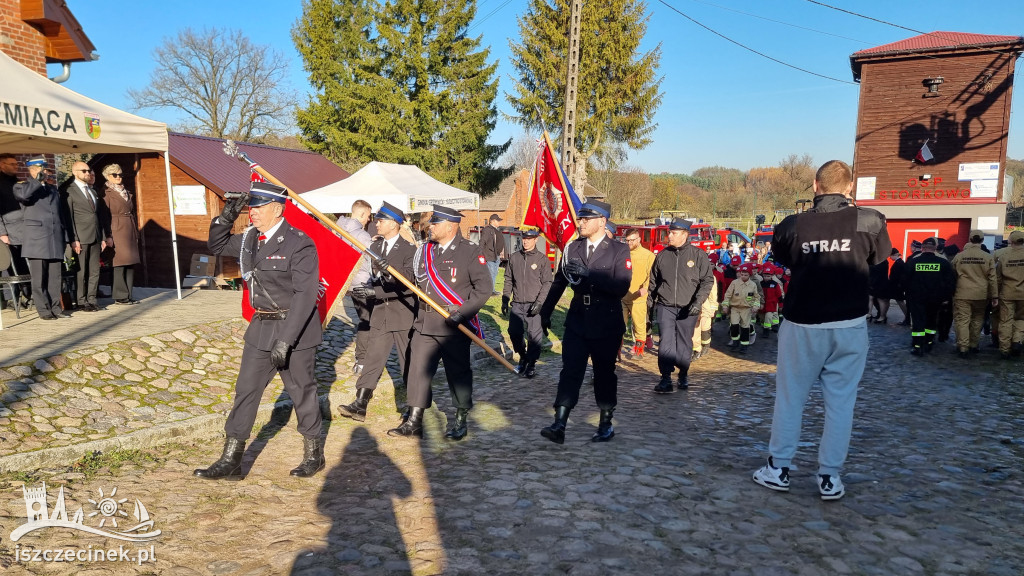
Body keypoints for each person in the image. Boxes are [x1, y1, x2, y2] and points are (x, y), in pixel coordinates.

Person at [752, 160, 892, 501]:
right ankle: (830, 476)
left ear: (815, 185)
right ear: (850, 186)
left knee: (790, 399)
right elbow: (878, 258)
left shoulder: (792, 224)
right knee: (841, 403)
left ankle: (779, 468)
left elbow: (784, 258)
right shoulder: (871, 220)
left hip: (803, 322)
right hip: (850, 323)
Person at [195, 182, 325, 479]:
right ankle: (231, 460)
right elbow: (215, 246)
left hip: (294, 329)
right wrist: (225, 218)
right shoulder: (250, 239)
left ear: (277, 209)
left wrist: (286, 340)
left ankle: (313, 455)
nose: (252, 213)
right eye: (250, 207)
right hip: (261, 326)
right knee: (246, 391)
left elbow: (306, 296)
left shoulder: (299, 242)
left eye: (258, 207)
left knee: (302, 392)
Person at [387, 205, 491, 440]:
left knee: (458, 373)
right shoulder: (423, 251)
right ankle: (414, 420)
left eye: (435, 223)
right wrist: (389, 272)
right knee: (417, 371)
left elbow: (484, 290)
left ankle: (461, 418)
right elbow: (410, 282)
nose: (430, 227)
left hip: (454, 325)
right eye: (431, 223)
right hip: (425, 324)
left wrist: (462, 314)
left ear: (451, 226)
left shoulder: (470, 252)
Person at [539, 200, 631, 443]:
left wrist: (591, 276)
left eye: (586, 219)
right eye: (580, 219)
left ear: (602, 221)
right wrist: (545, 311)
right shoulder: (572, 249)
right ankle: (559, 422)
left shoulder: (619, 250)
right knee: (570, 371)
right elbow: (559, 282)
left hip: (606, 322)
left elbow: (621, 287)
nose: (581, 223)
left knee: (604, 374)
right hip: (578, 319)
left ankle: (605, 422)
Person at [338, 201, 418, 421]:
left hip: (402, 313)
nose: (376, 224)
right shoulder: (375, 247)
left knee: (408, 362)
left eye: (381, 221)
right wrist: (369, 290)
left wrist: (384, 283)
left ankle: (413, 411)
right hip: (381, 313)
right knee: (373, 359)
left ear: (394, 224)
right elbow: (374, 277)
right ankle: (360, 403)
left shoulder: (409, 249)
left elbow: (408, 281)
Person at [647, 218, 714, 392]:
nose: (669, 235)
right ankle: (666, 378)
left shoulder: (698, 255)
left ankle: (683, 374)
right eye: (669, 232)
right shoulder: (662, 255)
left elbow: (707, 280)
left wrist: (698, 302)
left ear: (684, 234)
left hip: (688, 307)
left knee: (685, 343)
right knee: (665, 343)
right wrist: (649, 306)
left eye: (673, 233)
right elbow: (653, 283)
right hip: (665, 306)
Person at [13, 157, 72, 320]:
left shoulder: (52, 189)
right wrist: (37, 181)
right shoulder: (22, 186)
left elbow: (60, 215)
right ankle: (44, 310)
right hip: (37, 239)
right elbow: (24, 197)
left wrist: (65, 237)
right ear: (32, 170)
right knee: (39, 278)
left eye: (45, 169)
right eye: (41, 169)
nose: (45, 172)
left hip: (55, 238)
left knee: (55, 277)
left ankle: (56, 309)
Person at [501, 228, 552, 378]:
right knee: (514, 332)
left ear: (536, 240)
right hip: (517, 303)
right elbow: (508, 279)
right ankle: (523, 356)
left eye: (529, 239)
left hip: (534, 304)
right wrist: (505, 298)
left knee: (534, 336)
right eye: (524, 238)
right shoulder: (514, 258)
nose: (526, 241)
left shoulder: (542, 259)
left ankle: (531, 364)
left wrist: (540, 302)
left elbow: (547, 283)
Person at [65, 161, 109, 311]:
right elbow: (69, 218)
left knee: (94, 270)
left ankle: (92, 298)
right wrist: (73, 239)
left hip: (95, 236)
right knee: (81, 271)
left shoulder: (92, 191)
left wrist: (102, 236)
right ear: (75, 172)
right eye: (84, 171)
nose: (88, 173)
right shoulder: (69, 191)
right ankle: (81, 300)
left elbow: (98, 216)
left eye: (89, 171)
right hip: (81, 237)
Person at [337, 200, 373, 374]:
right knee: (367, 321)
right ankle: (363, 360)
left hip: (347, 282)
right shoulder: (361, 235)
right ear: (360, 214)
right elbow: (370, 262)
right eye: (367, 215)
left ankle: (364, 358)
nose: (369, 219)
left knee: (364, 320)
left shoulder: (337, 229)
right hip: (362, 282)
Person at [904, 238, 956, 356]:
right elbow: (950, 282)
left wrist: (908, 294)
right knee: (932, 321)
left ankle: (917, 346)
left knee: (918, 321)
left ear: (922, 247)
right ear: (935, 248)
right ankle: (929, 342)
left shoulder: (913, 262)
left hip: (917, 298)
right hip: (935, 298)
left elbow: (905, 280)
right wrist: (946, 298)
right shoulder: (943, 263)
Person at [950, 230, 998, 358]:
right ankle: (973, 344)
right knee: (977, 319)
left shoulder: (959, 256)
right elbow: (992, 278)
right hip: (981, 294)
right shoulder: (988, 257)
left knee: (963, 320)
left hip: (962, 292)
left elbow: (952, 275)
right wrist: (994, 296)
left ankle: (963, 347)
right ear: (982, 240)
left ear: (970, 239)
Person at [98, 164, 141, 304]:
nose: (118, 177)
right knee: (119, 263)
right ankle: (120, 296)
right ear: (107, 176)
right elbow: (103, 216)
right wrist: (107, 235)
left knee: (130, 262)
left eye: (120, 174)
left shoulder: (126, 191)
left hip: (129, 227)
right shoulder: (105, 193)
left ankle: (128, 293)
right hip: (115, 228)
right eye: (114, 175)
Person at [0, 154, 30, 309]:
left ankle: (28, 294)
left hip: (25, 229)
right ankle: (12, 297)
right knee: (10, 266)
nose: (15, 166)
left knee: (25, 264)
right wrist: (2, 233)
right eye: (11, 164)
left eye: (16, 164)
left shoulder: (19, 182)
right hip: (9, 231)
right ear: (2, 165)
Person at [621, 228, 656, 357]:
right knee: (619, 324)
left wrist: (645, 287)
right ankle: (617, 349)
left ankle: (639, 349)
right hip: (623, 295)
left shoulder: (648, 256)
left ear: (639, 239)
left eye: (632, 240)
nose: (629, 243)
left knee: (639, 324)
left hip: (638, 297)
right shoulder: (623, 253)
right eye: (627, 240)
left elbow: (651, 275)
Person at [994, 230, 1024, 359]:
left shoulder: (1004, 257)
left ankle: (1004, 348)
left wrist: (995, 294)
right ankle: (1017, 341)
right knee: (1021, 319)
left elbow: (998, 278)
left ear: (1011, 241)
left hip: (1007, 293)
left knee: (1005, 321)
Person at [722, 262, 761, 352]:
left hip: (746, 309)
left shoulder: (753, 285)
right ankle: (735, 341)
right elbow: (727, 295)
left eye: (745, 275)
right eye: (741, 274)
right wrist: (725, 305)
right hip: (735, 308)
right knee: (734, 325)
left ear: (749, 275)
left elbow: (757, 297)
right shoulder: (734, 283)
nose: (743, 276)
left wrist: (756, 306)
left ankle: (744, 345)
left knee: (745, 327)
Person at [479, 214, 504, 295]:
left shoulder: (496, 230)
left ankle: (492, 290)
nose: (499, 222)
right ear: (492, 221)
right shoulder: (487, 230)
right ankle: (490, 291)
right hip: (489, 255)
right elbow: (482, 242)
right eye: (498, 220)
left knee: (495, 273)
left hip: (496, 255)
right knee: (491, 273)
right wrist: (480, 254)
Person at [759, 263, 785, 337]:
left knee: (768, 317)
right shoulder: (761, 284)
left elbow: (779, 295)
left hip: (771, 305)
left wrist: (780, 305)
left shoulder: (775, 284)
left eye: (768, 276)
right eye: (765, 276)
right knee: (762, 317)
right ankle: (771, 325)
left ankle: (766, 331)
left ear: (772, 276)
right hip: (763, 304)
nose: (766, 277)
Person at [888, 248, 909, 326]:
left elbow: (898, 276)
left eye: (891, 256)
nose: (890, 258)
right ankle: (907, 317)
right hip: (898, 286)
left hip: (898, 286)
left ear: (894, 255)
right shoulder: (899, 262)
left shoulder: (899, 263)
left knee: (900, 301)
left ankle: (907, 317)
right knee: (899, 301)